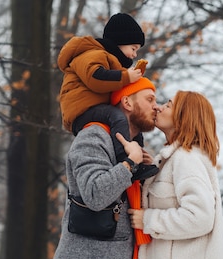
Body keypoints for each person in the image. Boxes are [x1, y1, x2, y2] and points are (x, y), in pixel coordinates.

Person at [47, 78, 159, 259]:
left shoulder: (131, 147)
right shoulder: (94, 136)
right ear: (127, 102)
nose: (156, 106)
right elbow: (95, 193)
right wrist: (129, 164)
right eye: (150, 99)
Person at [128, 91, 223, 259]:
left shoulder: (186, 158)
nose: (159, 107)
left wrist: (148, 220)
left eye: (168, 105)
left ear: (183, 116)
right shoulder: (175, 158)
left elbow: (200, 216)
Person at [57, 12, 158, 181]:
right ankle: (124, 158)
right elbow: (95, 77)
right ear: (120, 41)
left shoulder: (111, 60)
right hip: (81, 109)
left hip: (95, 106)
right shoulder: (94, 53)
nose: (134, 55)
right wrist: (126, 77)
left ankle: (139, 159)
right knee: (117, 116)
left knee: (132, 121)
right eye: (133, 49)